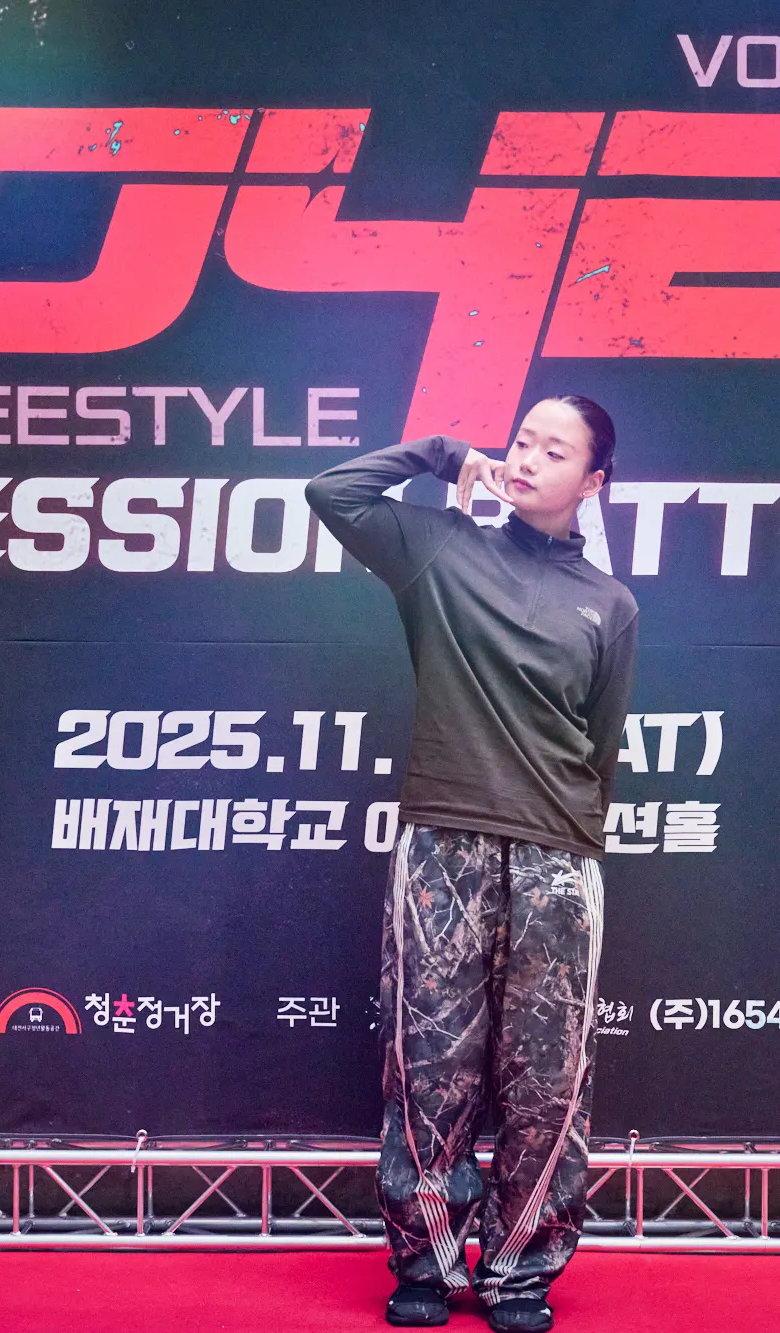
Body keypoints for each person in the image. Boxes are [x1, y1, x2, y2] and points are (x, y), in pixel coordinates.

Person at [305, 397, 638, 1332]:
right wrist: (444, 454)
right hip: (442, 841)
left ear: (593, 481)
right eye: (521, 440)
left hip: (557, 857)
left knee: (547, 1081)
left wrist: (563, 836)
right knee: (428, 1066)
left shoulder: (610, 605)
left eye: (554, 451)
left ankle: (520, 1268)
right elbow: (332, 492)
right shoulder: (441, 548)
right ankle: (427, 1262)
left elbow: (600, 746)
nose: (527, 459)